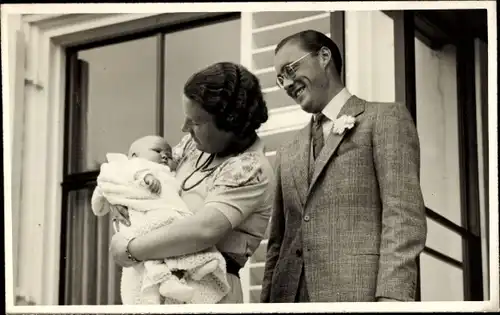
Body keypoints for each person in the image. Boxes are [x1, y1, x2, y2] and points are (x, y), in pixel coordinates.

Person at [261, 30, 427, 303]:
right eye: (280, 79)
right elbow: (277, 245)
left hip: (359, 295)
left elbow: (403, 216)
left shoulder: (383, 119)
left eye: (290, 69)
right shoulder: (287, 151)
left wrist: (393, 298)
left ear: (324, 56)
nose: (287, 83)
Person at [109, 62, 274, 304]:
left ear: (230, 125)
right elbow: (147, 169)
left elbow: (204, 229)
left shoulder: (251, 168)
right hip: (156, 285)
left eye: (196, 122)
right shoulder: (192, 147)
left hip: (208, 292)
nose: (184, 129)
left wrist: (130, 249)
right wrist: (122, 198)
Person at [92, 135, 230, 304]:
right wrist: (116, 197)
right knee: (155, 253)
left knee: (163, 251)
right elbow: (130, 175)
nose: (165, 156)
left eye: (168, 155)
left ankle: (191, 270)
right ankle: (174, 278)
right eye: (157, 151)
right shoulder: (136, 165)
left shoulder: (167, 171)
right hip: (148, 217)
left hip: (169, 221)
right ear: (134, 155)